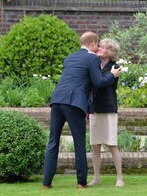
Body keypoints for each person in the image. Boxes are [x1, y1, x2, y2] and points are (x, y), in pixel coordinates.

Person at [43, 32, 121, 189]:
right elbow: (98, 82)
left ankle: (46, 183)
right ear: (92, 43)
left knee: (53, 142)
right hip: (74, 103)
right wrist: (112, 75)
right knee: (79, 143)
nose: (98, 47)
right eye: (97, 44)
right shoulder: (92, 58)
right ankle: (81, 182)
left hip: (57, 100)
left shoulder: (69, 57)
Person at [88, 38, 124, 187]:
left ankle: (120, 178)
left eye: (103, 47)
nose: (99, 49)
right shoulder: (93, 65)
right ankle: (96, 178)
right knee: (95, 145)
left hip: (108, 109)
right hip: (94, 109)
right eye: (100, 46)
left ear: (111, 52)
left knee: (112, 144)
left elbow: (102, 82)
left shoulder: (115, 67)